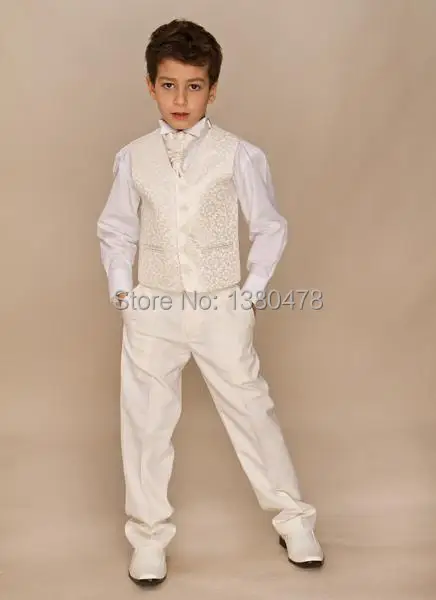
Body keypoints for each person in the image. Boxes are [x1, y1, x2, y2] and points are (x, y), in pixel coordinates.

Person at [97, 18, 324, 587]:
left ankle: (294, 520)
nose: (181, 99)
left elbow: (269, 226)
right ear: (151, 86)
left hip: (221, 305)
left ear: (212, 90)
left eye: (194, 86)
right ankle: (148, 536)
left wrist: (248, 296)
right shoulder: (133, 157)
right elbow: (117, 229)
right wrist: (124, 293)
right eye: (169, 85)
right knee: (145, 423)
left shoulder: (239, 155)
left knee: (252, 412)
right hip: (152, 308)